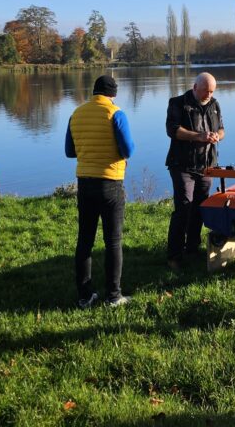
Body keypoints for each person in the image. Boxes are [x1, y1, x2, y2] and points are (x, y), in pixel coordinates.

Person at [65, 75, 135, 308]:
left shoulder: (76, 114)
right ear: (113, 94)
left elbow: (69, 151)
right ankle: (113, 296)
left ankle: (85, 296)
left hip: (84, 182)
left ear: (94, 91)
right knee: (113, 241)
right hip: (110, 183)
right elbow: (128, 149)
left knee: (84, 240)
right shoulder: (116, 113)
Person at [164, 72, 224, 268]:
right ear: (195, 87)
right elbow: (173, 130)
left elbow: (222, 129)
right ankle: (174, 255)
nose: (209, 94)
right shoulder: (178, 103)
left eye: (212, 91)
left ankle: (192, 248)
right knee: (183, 208)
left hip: (207, 166)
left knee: (200, 208)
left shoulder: (214, 104)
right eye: (206, 90)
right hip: (182, 165)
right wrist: (199, 136)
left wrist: (217, 136)